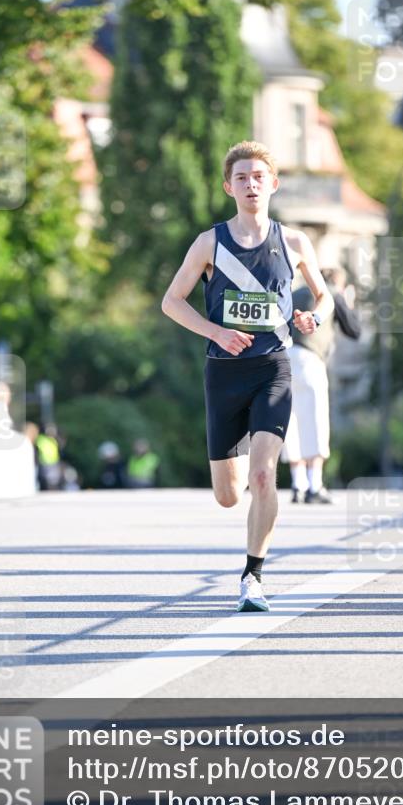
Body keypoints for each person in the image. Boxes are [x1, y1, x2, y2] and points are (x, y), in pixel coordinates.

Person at [161, 140, 334, 612]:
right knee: (227, 495)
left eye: (259, 176)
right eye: (242, 177)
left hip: (273, 369)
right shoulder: (210, 242)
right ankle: (241, 512)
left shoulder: (294, 242)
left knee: (263, 476)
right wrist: (216, 331)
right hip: (223, 375)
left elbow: (325, 298)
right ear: (228, 186)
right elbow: (171, 302)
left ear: (273, 184)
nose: (251, 184)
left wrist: (313, 319)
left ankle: (252, 577)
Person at [282, 268, 361, 503]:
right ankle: (315, 485)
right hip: (310, 359)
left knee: (291, 419)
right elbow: (354, 330)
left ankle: (298, 484)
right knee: (315, 419)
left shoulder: (295, 293)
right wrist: (348, 301)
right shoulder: (332, 293)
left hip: (283, 357)